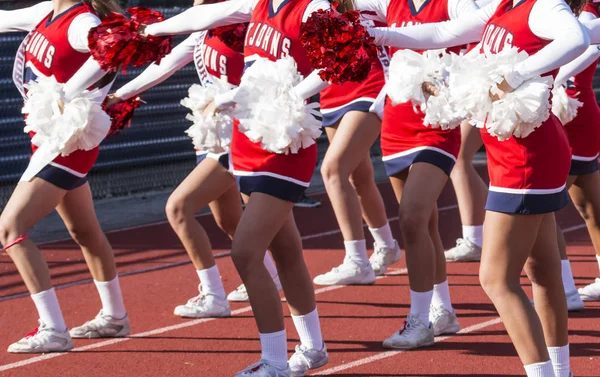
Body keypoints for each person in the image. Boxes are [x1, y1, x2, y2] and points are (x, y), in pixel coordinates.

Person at [368, 0, 588, 375]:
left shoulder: (543, 5)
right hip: (520, 152)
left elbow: (576, 37)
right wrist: (379, 34)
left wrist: (516, 75)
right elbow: (440, 33)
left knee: (496, 279)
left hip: (525, 156)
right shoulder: (504, 5)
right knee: (543, 270)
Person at [143, 0, 331, 374]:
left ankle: (274, 362)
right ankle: (313, 346)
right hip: (247, 139)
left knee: (245, 252)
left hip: (285, 141)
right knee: (286, 251)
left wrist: (288, 98)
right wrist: (151, 31)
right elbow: (203, 16)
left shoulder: (314, 7)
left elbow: (333, 66)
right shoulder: (257, 3)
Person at [108, 0, 282, 316]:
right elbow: (166, 63)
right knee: (228, 219)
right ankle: (269, 275)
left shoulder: (241, 23)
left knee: (179, 207)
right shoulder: (202, 28)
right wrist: (120, 95)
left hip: (240, 133)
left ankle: (213, 295)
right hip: (212, 133)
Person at [0, 0, 131, 353]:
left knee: (10, 228)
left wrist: (68, 93)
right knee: (84, 230)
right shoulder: (47, 10)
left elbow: (111, 53)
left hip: (67, 141)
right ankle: (115, 316)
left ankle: (53, 329)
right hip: (47, 139)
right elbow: (4, 19)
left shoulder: (81, 21)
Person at [351, 0, 479, 348]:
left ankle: (419, 321)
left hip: (437, 123)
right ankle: (444, 311)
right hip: (396, 123)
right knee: (426, 225)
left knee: (411, 219)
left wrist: (449, 78)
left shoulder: (455, 2)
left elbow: (486, 34)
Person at [312, 2, 402, 286]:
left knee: (333, 169)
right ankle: (386, 245)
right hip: (332, 88)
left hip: (371, 85)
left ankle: (356, 259)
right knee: (358, 176)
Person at [554, 0, 600, 305]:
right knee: (590, 207)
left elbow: (588, 45)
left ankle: (564, 291)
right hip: (555, 111)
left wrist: (545, 76)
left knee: (542, 210)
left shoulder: (591, 11)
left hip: (574, 114)